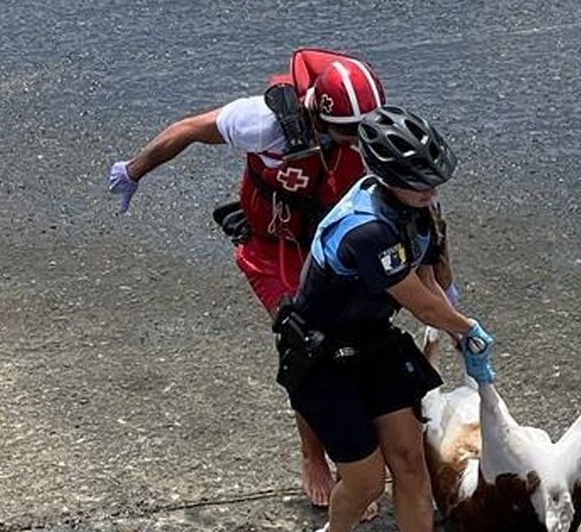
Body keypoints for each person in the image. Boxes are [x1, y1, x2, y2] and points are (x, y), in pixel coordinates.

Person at [109, 49, 385, 508]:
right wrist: (134, 171)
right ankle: (314, 454)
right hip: (271, 251)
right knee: (305, 345)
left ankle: (352, 460)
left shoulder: (369, 133)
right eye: (349, 134)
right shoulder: (263, 122)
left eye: (365, 132)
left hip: (330, 249)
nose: (360, 142)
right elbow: (187, 131)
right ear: (319, 114)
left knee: (354, 347)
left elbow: (413, 193)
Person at [276, 105, 496, 532]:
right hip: (324, 358)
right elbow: (415, 299)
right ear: (386, 176)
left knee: (411, 464)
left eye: (434, 181)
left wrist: (453, 310)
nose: (432, 193)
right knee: (367, 480)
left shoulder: (415, 208)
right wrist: (464, 330)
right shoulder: (366, 230)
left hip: (373, 342)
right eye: (421, 184)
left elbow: (428, 277)